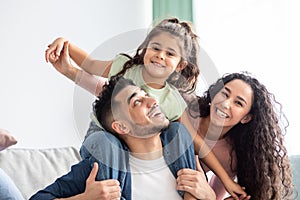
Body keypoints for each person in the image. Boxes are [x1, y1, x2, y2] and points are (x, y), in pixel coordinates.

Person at [46, 18, 247, 199]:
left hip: (137, 147)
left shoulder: (172, 100)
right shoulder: (125, 67)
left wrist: (227, 181)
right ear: (145, 49)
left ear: (179, 65)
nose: (160, 56)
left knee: (178, 132)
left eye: (170, 53)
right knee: (105, 142)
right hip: (103, 134)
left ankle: (187, 195)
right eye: (155, 48)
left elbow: (195, 141)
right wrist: (66, 45)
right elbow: (90, 65)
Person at [30, 77, 217, 200]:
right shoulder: (100, 168)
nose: (153, 102)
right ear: (121, 126)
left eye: (147, 96)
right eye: (137, 102)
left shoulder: (183, 158)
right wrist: (84, 198)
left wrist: (210, 196)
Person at [183, 72, 297, 200]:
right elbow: (189, 137)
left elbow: (212, 195)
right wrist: (225, 181)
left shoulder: (230, 157)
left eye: (238, 103)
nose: (225, 104)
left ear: (246, 118)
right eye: (224, 94)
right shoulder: (187, 108)